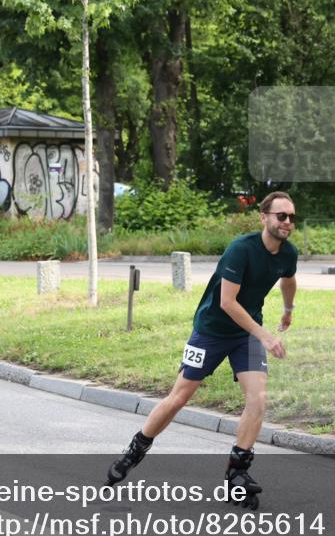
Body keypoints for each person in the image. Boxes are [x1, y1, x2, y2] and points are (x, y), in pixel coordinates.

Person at [104, 191, 299, 509]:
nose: (287, 222)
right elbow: (227, 302)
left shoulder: (288, 253)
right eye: (281, 216)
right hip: (211, 331)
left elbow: (289, 279)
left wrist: (288, 309)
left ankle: (237, 473)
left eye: (292, 217)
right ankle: (135, 451)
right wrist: (264, 334)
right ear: (263, 217)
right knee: (179, 397)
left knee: (259, 397)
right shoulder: (241, 250)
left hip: (246, 335)